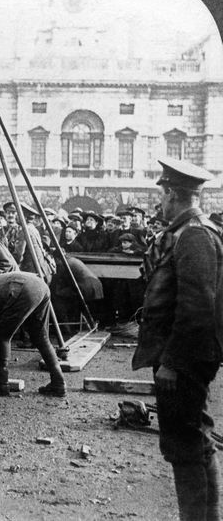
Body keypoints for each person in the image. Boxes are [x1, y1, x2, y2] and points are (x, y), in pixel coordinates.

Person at [132, 158, 223, 521]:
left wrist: (172, 361)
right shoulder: (187, 231)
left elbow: (197, 305)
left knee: (185, 445)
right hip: (186, 353)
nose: (161, 203)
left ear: (172, 194)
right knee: (193, 439)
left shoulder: (195, 234)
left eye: (163, 195)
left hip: (184, 357)